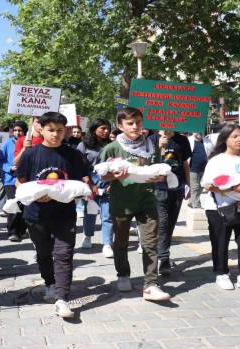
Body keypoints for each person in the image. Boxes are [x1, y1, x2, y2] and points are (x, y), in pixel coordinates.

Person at [15, 111, 94, 318]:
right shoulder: (31, 154)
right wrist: (35, 196)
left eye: (60, 130)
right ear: (41, 129)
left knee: (64, 254)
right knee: (43, 253)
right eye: (51, 130)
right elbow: (20, 182)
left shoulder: (73, 154)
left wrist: (83, 191)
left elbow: (79, 181)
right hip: (35, 214)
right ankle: (49, 283)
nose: (55, 134)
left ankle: (61, 298)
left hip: (64, 214)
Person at [100, 107, 170, 301]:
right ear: (120, 126)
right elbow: (102, 175)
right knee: (121, 242)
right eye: (130, 123)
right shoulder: (112, 148)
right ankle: (123, 274)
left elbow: (156, 168)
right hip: (121, 202)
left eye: (138, 122)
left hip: (147, 200)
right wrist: (114, 176)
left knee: (149, 243)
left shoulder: (151, 146)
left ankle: (151, 284)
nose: (135, 126)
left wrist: (158, 177)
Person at [201, 124, 240, 295]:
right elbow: (208, 185)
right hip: (219, 208)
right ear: (225, 139)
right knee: (220, 242)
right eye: (235, 136)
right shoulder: (217, 160)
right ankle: (221, 273)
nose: (239, 140)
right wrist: (232, 190)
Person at [148, 130, 191, 275]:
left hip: (177, 188)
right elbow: (149, 164)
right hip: (159, 188)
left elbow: (184, 163)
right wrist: (160, 148)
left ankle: (163, 254)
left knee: (170, 224)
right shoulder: (151, 139)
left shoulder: (182, 140)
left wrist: (188, 185)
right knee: (162, 224)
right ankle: (163, 259)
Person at [76, 118, 114, 258]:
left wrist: (112, 184)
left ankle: (107, 243)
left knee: (108, 215)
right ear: (94, 129)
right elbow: (80, 167)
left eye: (107, 129)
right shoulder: (83, 146)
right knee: (90, 213)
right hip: (90, 184)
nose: (106, 131)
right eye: (102, 128)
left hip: (108, 185)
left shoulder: (112, 145)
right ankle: (87, 236)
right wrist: (90, 185)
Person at [0, 121, 28, 242]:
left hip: (25, 179)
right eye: (15, 130)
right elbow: (1, 161)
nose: (17, 132)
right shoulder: (7, 143)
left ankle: (21, 229)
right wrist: (9, 168)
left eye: (20, 130)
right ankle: (13, 231)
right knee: (13, 204)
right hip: (10, 179)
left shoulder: (28, 143)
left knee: (24, 204)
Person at [188, 132, 214, 208]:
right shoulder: (189, 141)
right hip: (192, 169)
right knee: (195, 187)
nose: (199, 133)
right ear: (193, 132)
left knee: (201, 186)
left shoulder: (208, 141)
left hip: (205, 169)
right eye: (197, 132)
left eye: (201, 132)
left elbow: (213, 152)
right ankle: (196, 206)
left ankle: (191, 202)